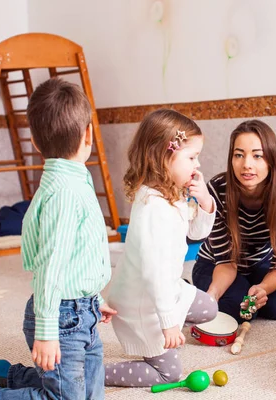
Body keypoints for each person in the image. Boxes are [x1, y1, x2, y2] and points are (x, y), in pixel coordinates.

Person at [0, 78, 117, 399]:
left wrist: (94, 296)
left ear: (34, 141)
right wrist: (46, 333)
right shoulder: (62, 195)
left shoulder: (75, 178)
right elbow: (50, 269)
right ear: (89, 134)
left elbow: (81, 254)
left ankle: (9, 376)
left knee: (91, 395)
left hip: (83, 311)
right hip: (60, 318)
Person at [104, 109, 218, 387]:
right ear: (164, 157)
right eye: (192, 157)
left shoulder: (171, 193)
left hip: (166, 287)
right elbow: (154, 275)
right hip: (144, 303)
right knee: (170, 374)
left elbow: (196, 233)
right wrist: (168, 323)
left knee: (210, 309)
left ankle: (165, 333)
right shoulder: (152, 209)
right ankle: (94, 372)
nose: (198, 164)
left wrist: (205, 202)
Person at [192, 120, 276, 322]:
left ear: (271, 160)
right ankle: (193, 290)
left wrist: (263, 288)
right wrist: (212, 295)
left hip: (259, 264)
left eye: (257, 156)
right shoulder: (217, 191)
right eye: (239, 155)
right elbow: (225, 262)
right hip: (216, 264)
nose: (247, 164)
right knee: (235, 309)